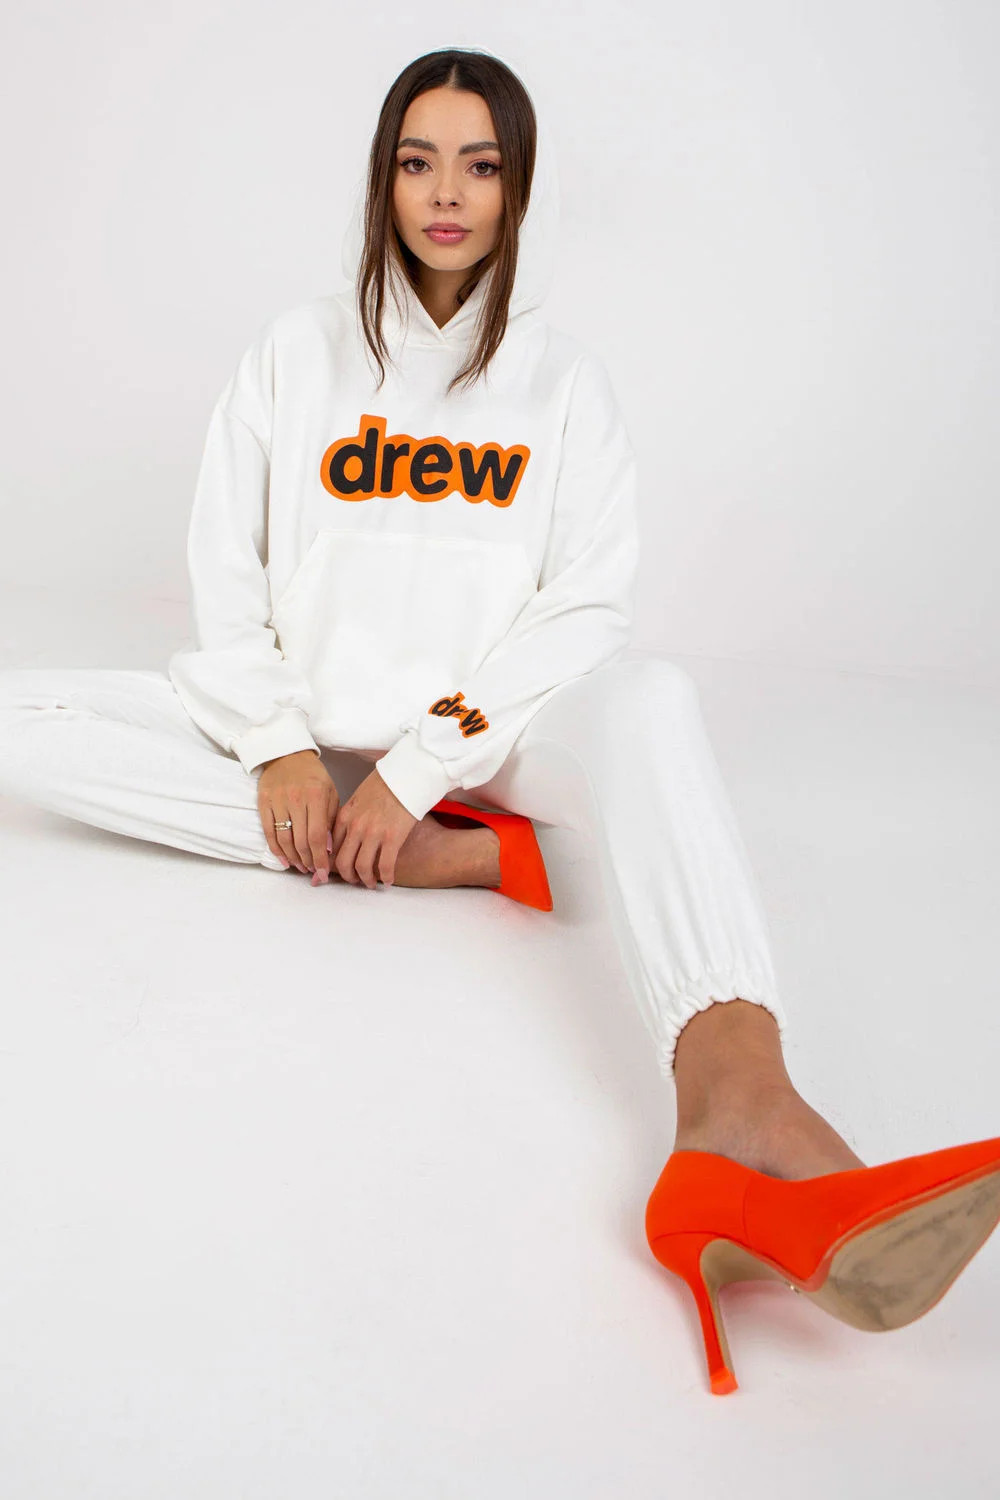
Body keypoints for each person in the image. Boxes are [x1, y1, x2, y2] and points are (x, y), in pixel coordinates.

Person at [1, 47, 997, 1396]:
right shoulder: (296, 353)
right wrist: (282, 745)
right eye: (418, 162)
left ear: (519, 187)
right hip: (311, 743)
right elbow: (224, 574)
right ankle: (446, 860)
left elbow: (585, 610)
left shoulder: (561, 382)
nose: (446, 194)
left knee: (653, 695)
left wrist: (423, 764)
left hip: (494, 743)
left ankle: (740, 1100)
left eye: (480, 165)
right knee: (23, 713)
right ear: (382, 179)